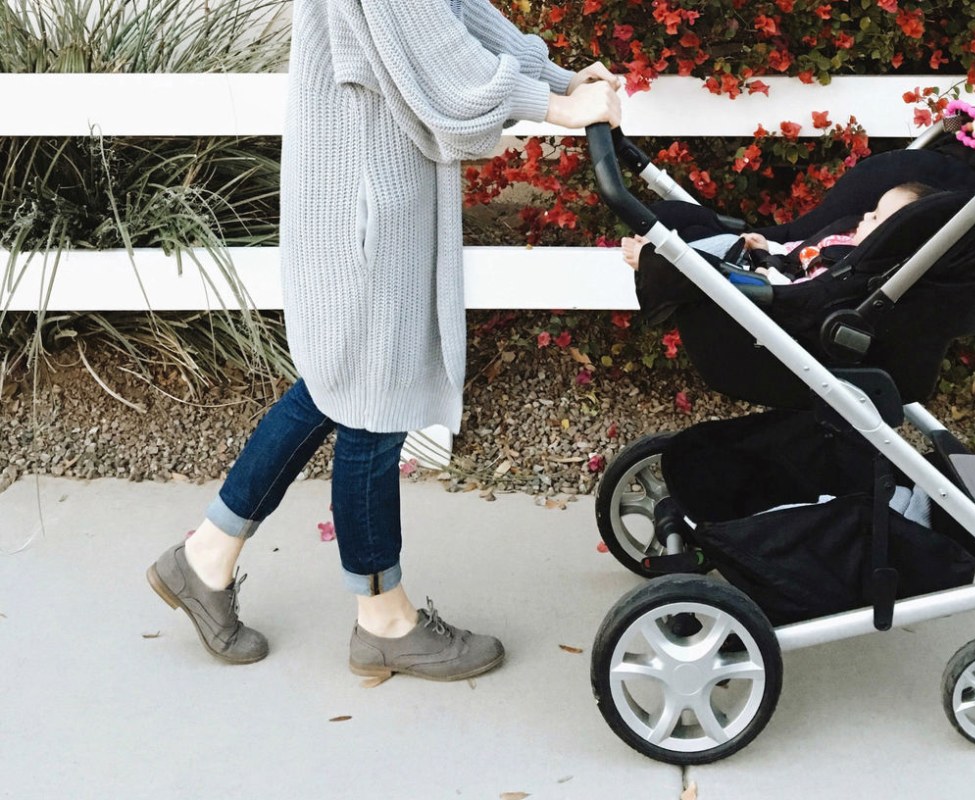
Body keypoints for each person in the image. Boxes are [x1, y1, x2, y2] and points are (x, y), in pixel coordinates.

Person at [147, 0, 621, 681]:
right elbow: (443, 61)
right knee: (374, 403)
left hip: (368, 193)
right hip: (366, 203)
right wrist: (554, 102)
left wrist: (555, 76)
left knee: (338, 385)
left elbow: (453, 15)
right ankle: (383, 621)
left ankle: (204, 557)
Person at [621, 182, 936, 284]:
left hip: (759, 282)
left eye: (877, 218)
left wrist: (764, 261)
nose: (867, 215)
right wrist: (768, 245)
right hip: (769, 258)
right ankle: (657, 243)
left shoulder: (848, 265)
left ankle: (657, 258)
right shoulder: (845, 237)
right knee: (693, 223)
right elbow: (799, 249)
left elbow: (799, 288)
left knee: (722, 252)